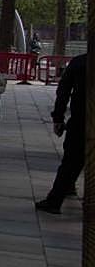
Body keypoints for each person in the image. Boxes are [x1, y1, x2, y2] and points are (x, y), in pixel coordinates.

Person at [37, 52, 86, 213]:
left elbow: (63, 90)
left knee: (71, 160)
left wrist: (58, 117)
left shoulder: (80, 62)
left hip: (81, 119)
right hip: (80, 119)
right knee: (72, 161)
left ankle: (56, 199)